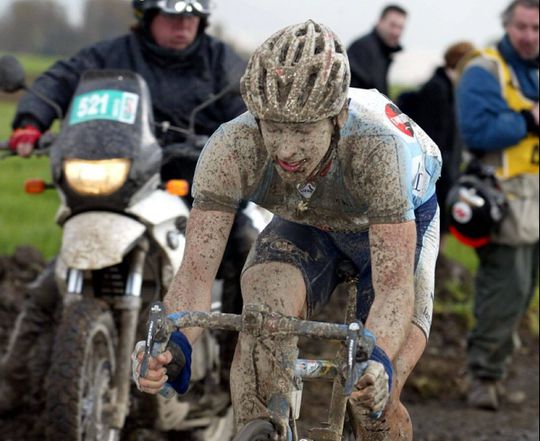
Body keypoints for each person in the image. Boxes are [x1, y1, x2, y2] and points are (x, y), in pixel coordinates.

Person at [133, 20, 442, 440]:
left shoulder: (374, 149)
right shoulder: (232, 148)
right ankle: (264, 425)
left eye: (301, 130)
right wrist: (173, 348)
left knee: (375, 397)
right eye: (272, 126)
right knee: (262, 319)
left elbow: (393, 289)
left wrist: (380, 359)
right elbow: (193, 276)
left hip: (393, 227)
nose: (284, 150)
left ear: (338, 117)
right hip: (308, 220)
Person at [0, 0, 255, 414]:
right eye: (172, 16)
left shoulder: (221, 62)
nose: (183, 26)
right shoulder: (111, 56)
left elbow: (249, 114)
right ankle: (13, 378)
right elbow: (61, 79)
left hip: (200, 186)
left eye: (191, 17)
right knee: (56, 274)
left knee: (244, 243)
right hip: (130, 182)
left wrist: (237, 146)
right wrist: (32, 120)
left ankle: (232, 376)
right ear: (148, 18)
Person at [456, 0, 539, 411]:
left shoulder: (533, 69)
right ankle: (482, 378)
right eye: (522, 27)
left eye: (536, 28)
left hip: (535, 204)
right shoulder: (484, 70)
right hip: (503, 204)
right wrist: (527, 120)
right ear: (508, 26)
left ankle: (497, 370)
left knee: (523, 295)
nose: (529, 36)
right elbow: (475, 130)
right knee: (505, 291)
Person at [400, 41, 474, 240]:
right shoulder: (438, 89)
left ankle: (438, 264)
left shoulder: (451, 88)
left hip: (448, 169)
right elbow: (434, 138)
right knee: (433, 226)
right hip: (436, 173)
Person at [347, 4, 407, 96]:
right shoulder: (362, 48)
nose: (396, 32)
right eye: (392, 25)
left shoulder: (384, 52)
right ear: (380, 22)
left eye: (400, 27)